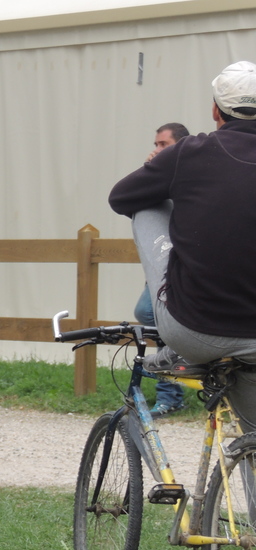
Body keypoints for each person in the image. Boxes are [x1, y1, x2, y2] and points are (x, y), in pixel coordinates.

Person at [110, 61, 256, 432]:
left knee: (145, 203)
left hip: (193, 331)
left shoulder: (190, 152)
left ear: (215, 110)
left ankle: (176, 345)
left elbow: (121, 197)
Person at [133, 122, 189, 418]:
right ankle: (173, 388)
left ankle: (171, 394)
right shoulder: (160, 174)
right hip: (163, 262)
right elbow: (134, 200)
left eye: (163, 145)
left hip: (187, 264)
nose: (156, 150)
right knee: (149, 314)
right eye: (155, 144)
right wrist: (149, 169)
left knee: (157, 316)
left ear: (180, 145)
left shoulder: (193, 173)